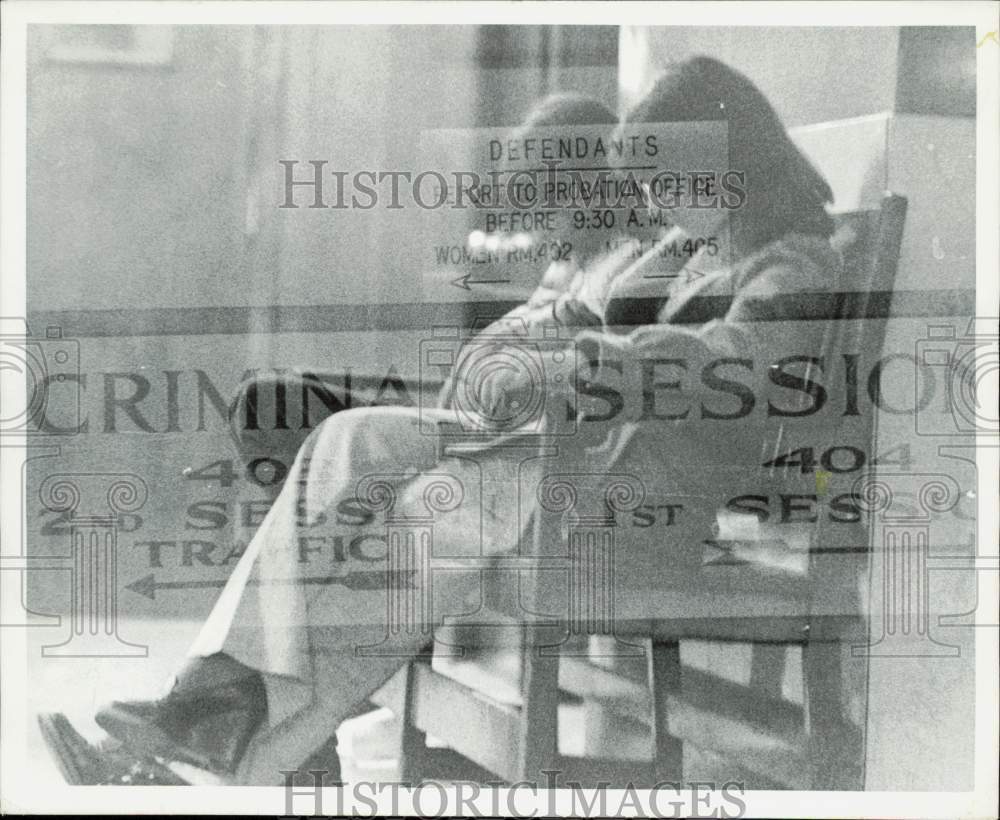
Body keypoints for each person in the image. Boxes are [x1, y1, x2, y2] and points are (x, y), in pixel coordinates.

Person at [40, 56, 840, 785]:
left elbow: (732, 358)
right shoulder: (680, 249)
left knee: (406, 526)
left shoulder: (794, 261)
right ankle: (209, 709)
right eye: (655, 189)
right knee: (345, 439)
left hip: (623, 501)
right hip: (561, 459)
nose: (659, 205)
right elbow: (568, 309)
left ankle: (221, 736)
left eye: (672, 185)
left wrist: (586, 358)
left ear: (730, 166)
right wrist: (513, 348)